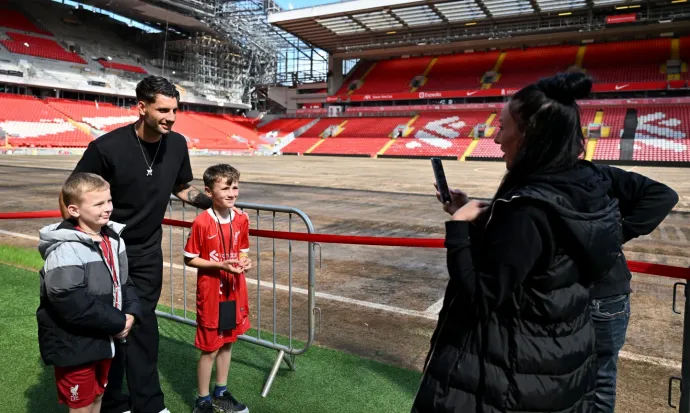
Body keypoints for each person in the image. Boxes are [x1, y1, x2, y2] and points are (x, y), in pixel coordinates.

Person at [413, 72, 623, 413]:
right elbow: (536, 258)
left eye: (502, 127)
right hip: (558, 358)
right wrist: (482, 213)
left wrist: (459, 229)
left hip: (517, 371)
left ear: (529, 135)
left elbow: (480, 295)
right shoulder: (582, 185)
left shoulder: (527, 210)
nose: (496, 139)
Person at [59, 75, 214, 413]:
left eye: (175, 110)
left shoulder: (177, 143)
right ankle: (114, 402)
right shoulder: (106, 148)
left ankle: (149, 404)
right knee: (109, 325)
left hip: (145, 252)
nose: (171, 117)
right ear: (141, 108)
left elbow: (182, 187)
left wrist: (213, 203)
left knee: (142, 324)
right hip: (105, 252)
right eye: (163, 110)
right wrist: (75, 236)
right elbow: (71, 191)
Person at [38, 172, 142, 413]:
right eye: (98, 204)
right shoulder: (65, 249)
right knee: (81, 406)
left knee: (98, 397)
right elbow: (68, 299)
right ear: (74, 210)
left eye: (109, 201)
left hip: (105, 338)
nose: (108, 208)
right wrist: (117, 322)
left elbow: (124, 282)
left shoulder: (114, 238)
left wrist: (131, 313)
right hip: (75, 343)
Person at [588, 165, 678, 412]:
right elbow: (664, 195)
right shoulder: (600, 174)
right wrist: (618, 234)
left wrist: (621, 233)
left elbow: (665, 196)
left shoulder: (542, 180)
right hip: (608, 291)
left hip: (585, 292)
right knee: (602, 380)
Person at [183, 164, 252, 413]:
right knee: (210, 348)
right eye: (225, 188)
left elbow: (243, 248)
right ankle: (202, 400)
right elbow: (189, 258)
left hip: (234, 291)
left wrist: (244, 260)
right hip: (212, 293)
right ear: (209, 191)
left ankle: (220, 392)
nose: (232, 193)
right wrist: (219, 265)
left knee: (227, 343)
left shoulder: (242, 218)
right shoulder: (202, 222)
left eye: (235, 187)